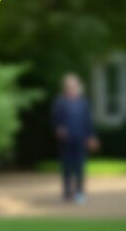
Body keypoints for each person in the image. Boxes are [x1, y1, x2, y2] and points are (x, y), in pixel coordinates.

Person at [50, 73, 98, 203]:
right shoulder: (59, 102)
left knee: (80, 166)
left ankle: (79, 192)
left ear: (77, 85)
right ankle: (67, 192)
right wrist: (59, 129)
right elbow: (55, 121)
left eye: (74, 84)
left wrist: (91, 137)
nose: (71, 87)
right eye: (69, 85)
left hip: (80, 139)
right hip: (66, 141)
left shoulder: (83, 103)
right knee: (66, 167)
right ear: (65, 87)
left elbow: (89, 121)